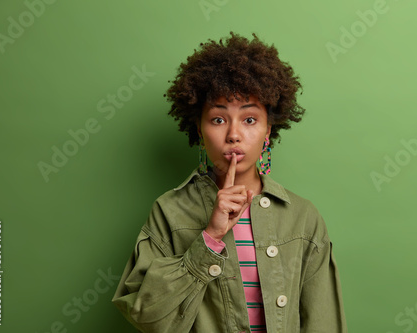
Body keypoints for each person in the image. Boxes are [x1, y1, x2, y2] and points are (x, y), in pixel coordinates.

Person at [112, 31, 347, 333]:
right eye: (219, 119)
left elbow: (322, 322)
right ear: (198, 128)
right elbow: (147, 316)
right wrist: (210, 237)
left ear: (268, 130)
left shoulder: (303, 217)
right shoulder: (169, 211)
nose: (234, 134)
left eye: (249, 120)